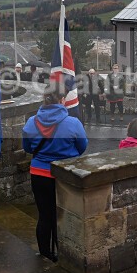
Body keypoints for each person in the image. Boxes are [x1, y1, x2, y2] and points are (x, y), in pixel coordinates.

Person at [23, 90, 88, 262]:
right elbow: (82, 147)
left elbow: (28, 148)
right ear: (62, 100)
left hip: (38, 173)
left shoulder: (31, 122)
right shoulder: (73, 123)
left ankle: (44, 253)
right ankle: (63, 253)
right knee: (62, 216)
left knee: (44, 215)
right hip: (62, 175)